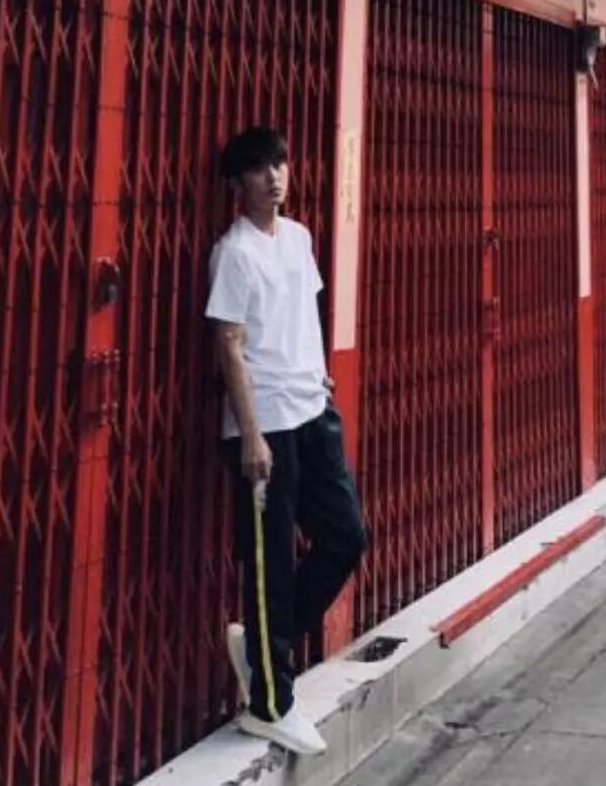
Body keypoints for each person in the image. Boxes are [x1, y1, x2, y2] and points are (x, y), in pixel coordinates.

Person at [206, 125, 367, 758]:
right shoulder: (233, 253)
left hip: (312, 411)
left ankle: (259, 650)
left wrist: (318, 372)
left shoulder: (298, 238)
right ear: (236, 183)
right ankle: (269, 705)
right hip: (265, 424)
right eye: (258, 168)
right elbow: (229, 345)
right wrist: (249, 436)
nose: (273, 177)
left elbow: (304, 314)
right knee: (270, 564)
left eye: (279, 164)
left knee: (346, 536)